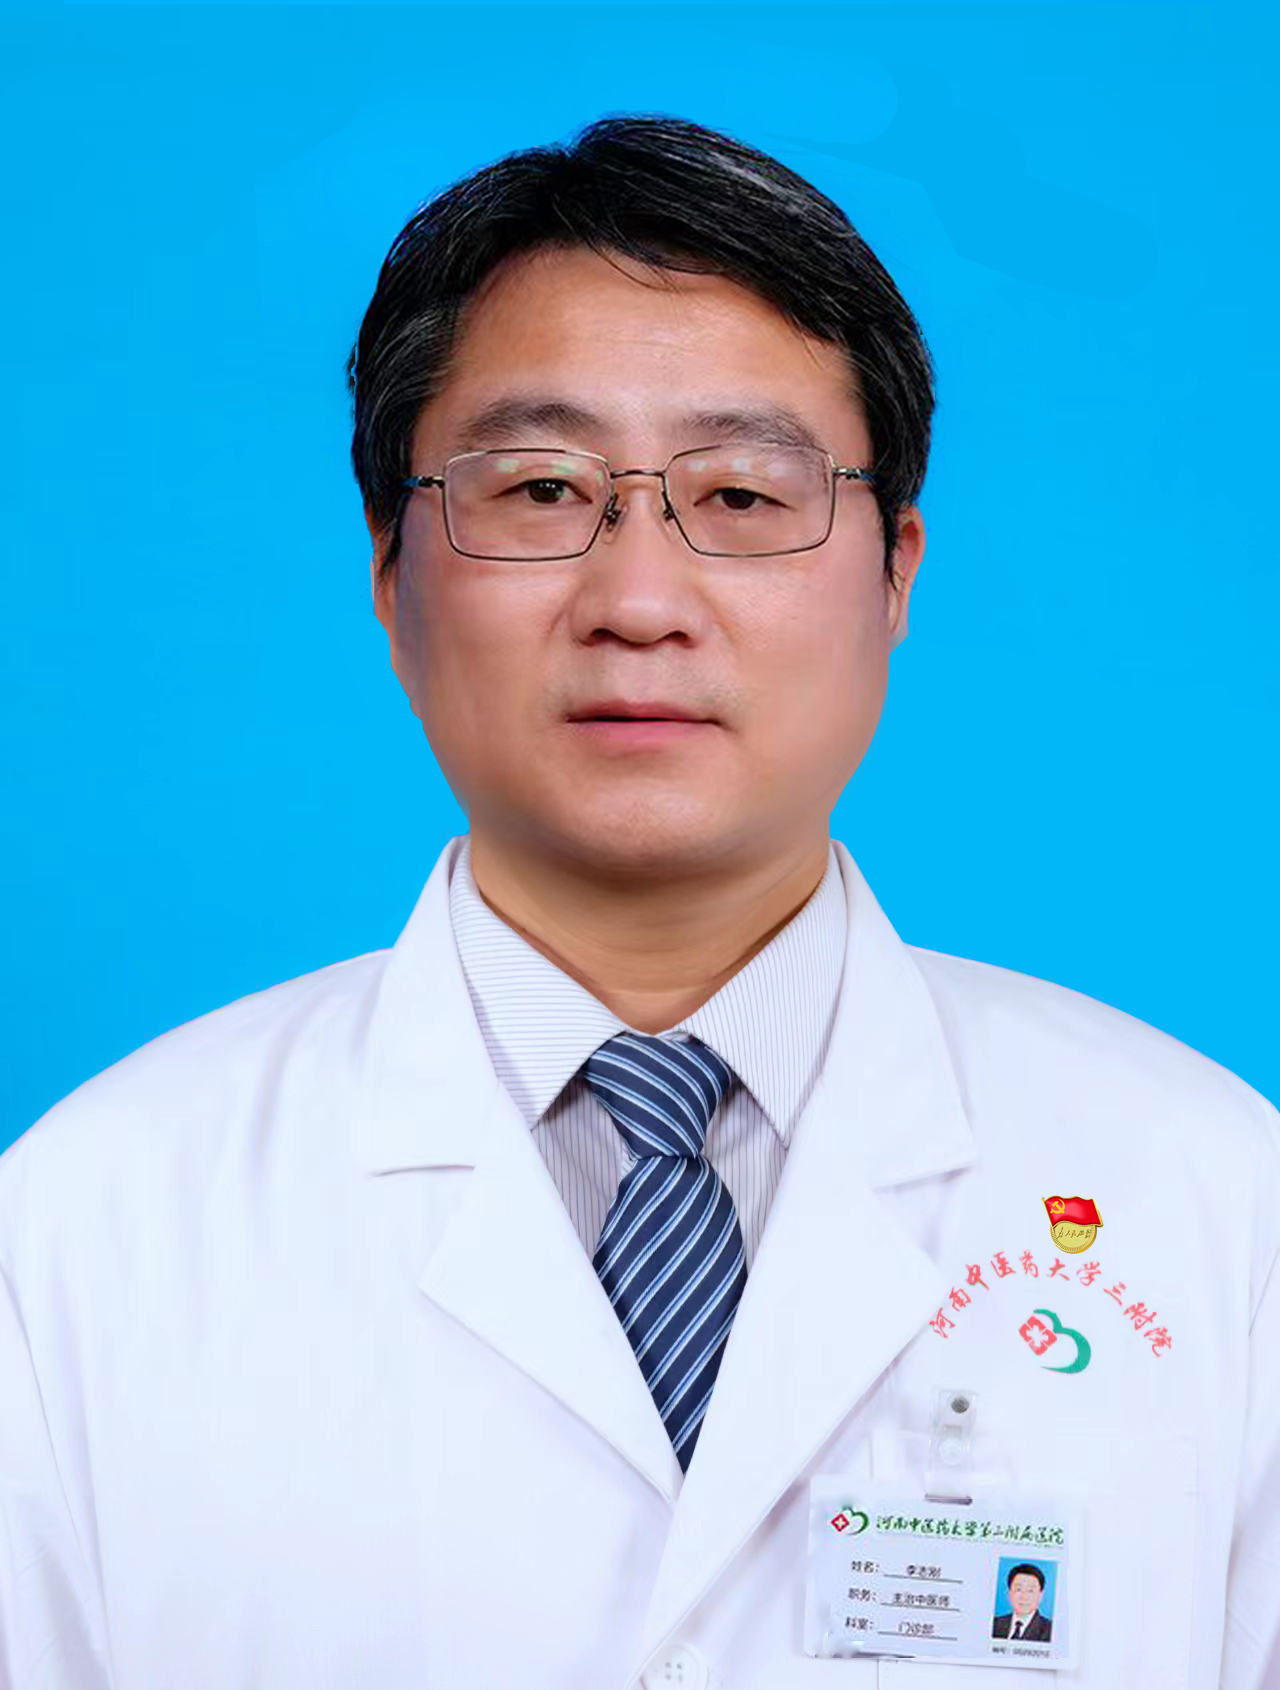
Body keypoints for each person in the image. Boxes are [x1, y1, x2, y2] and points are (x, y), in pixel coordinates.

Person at [0, 114, 1276, 1690]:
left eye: (741, 495)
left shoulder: (1218, 1201)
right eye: (541, 487)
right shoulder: (82, 1232)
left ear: (896, 572)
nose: (641, 601)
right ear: (392, 574)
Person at [992, 1564, 1053, 1642]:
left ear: (1040, 1595)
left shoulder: (1050, 1631)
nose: (1024, 1597)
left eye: (1030, 1591)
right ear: (1009, 1593)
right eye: (1018, 1589)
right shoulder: (994, 1624)